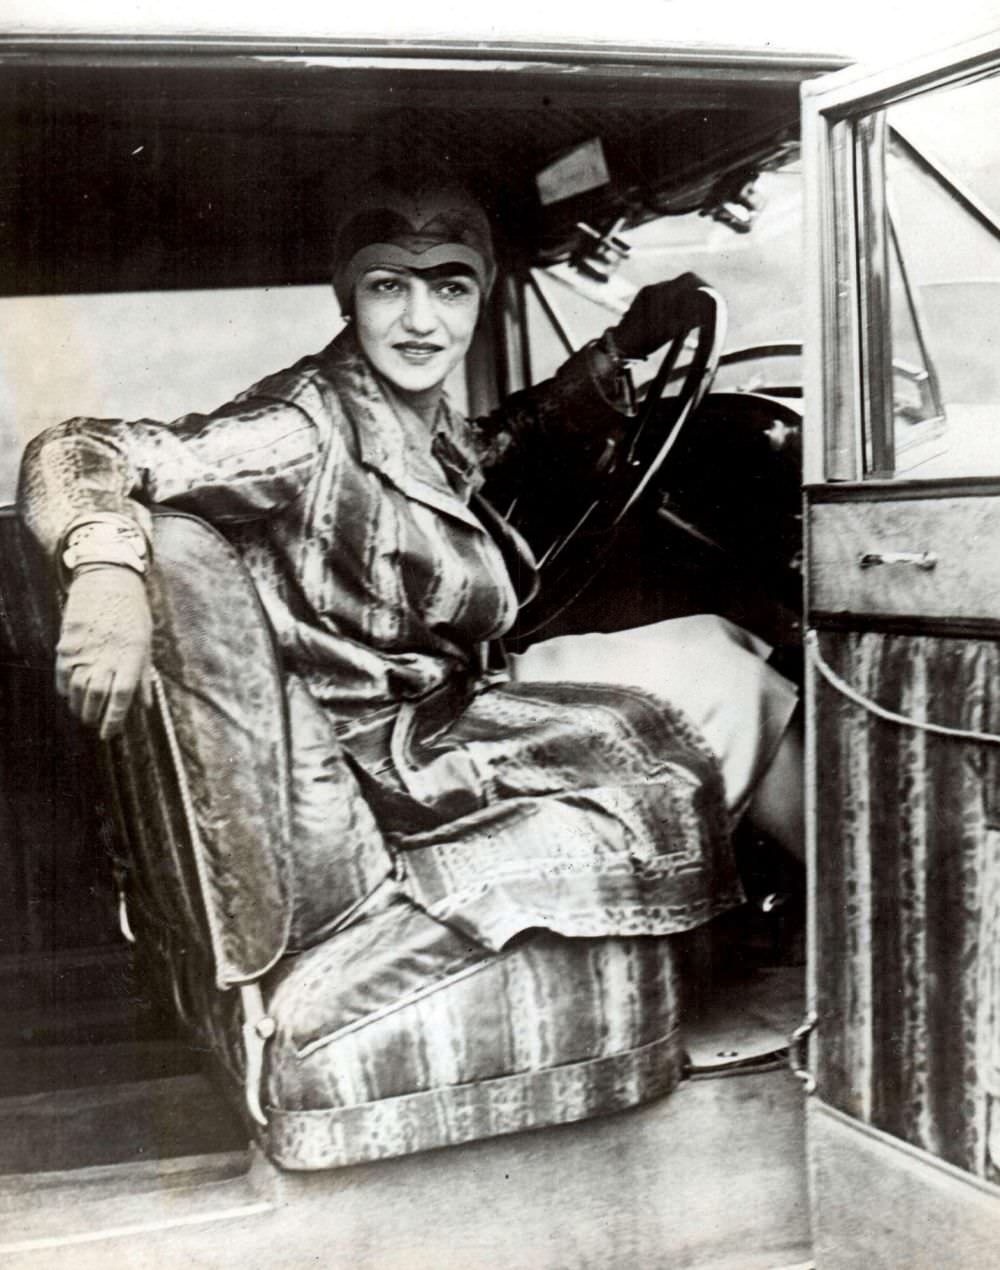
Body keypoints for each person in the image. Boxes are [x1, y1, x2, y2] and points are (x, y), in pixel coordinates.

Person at [18, 171, 801, 953]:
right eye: (390, 286)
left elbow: (497, 442)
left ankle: (793, 913)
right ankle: (832, 927)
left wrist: (620, 348)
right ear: (349, 299)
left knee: (718, 647)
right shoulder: (304, 425)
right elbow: (79, 447)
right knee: (736, 681)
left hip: (440, 704)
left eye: (452, 289)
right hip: (395, 759)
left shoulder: (402, 409)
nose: (422, 321)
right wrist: (107, 575)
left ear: (480, 297)